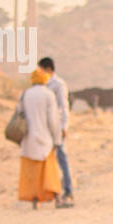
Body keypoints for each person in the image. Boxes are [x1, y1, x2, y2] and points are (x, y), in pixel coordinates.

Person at [18, 67, 63, 208]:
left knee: (32, 173)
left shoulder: (26, 94)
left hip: (28, 140)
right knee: (50, 172)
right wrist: (57, 139)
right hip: (45, 139)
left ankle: (35, 201)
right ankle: (57, 199)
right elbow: (53, 120)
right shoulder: (48, 94)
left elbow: (20, 113)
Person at [37, 56, 74, 206]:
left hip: (57, 126)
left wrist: (65, 126)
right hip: (44, 126)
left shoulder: (58, 84)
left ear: (48, 69)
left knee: (61, 157)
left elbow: (64, 107)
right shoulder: (41, 84)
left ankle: (68, 189)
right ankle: (50, 191)